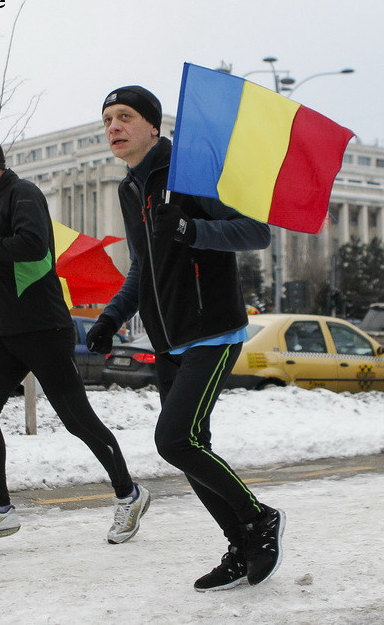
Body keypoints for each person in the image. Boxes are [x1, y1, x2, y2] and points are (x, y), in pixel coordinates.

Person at [88, 86, 284, 591]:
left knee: (174, 440)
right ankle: (240, 546)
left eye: (125, 116)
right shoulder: (128, 188)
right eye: (108, 119)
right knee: (195, 444)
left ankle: (259, 518)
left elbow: (255, 231)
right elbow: (142, 267)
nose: (114, 126)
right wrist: (111, 318)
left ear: (153, 126)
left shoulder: (191, 170)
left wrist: (192, 229)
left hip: (212, 331)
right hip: (167, 338)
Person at [0, 133, 150, 543]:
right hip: (10, 333)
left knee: (78, 421)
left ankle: (129, 494)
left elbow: (33, 244)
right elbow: (22, 262)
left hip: (43, 331)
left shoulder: (22, 192)